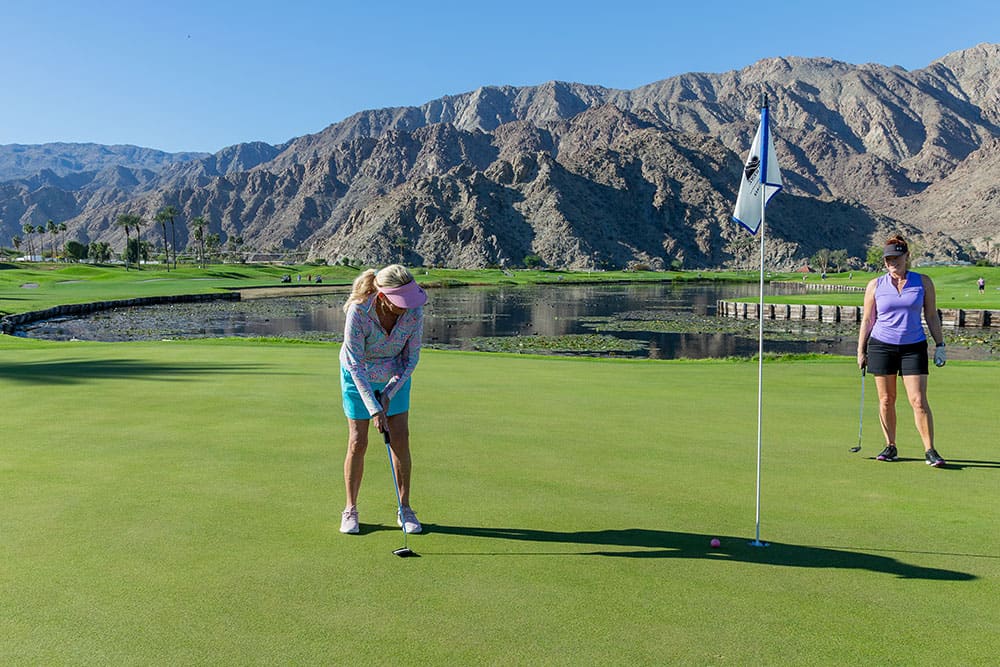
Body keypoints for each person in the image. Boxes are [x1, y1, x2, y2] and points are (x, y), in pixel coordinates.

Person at [338, 265, 428, 534]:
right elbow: (355, 364)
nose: (406, 306)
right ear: (382, 296)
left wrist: (388, 393)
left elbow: (411, 359)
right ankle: (350, 508)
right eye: (400, 300)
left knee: (400, 438)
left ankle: (405, 508)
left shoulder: (414, 312)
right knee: (358, 441)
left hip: (395, 376)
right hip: (358, 376)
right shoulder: (359, 311)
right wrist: (374, 408)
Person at [857, 236, 947, 467]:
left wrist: (940, 345)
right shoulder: (875, 285)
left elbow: (931, 315)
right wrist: (861, 350)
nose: (892, 262)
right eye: (888, 259)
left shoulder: (923, 282)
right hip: (881, 345)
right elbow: (867, 320)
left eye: (897, 258)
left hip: (913, 346)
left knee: (918, 400)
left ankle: (930, 450)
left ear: (907, 257)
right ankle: (890, 446)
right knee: (886, 399)